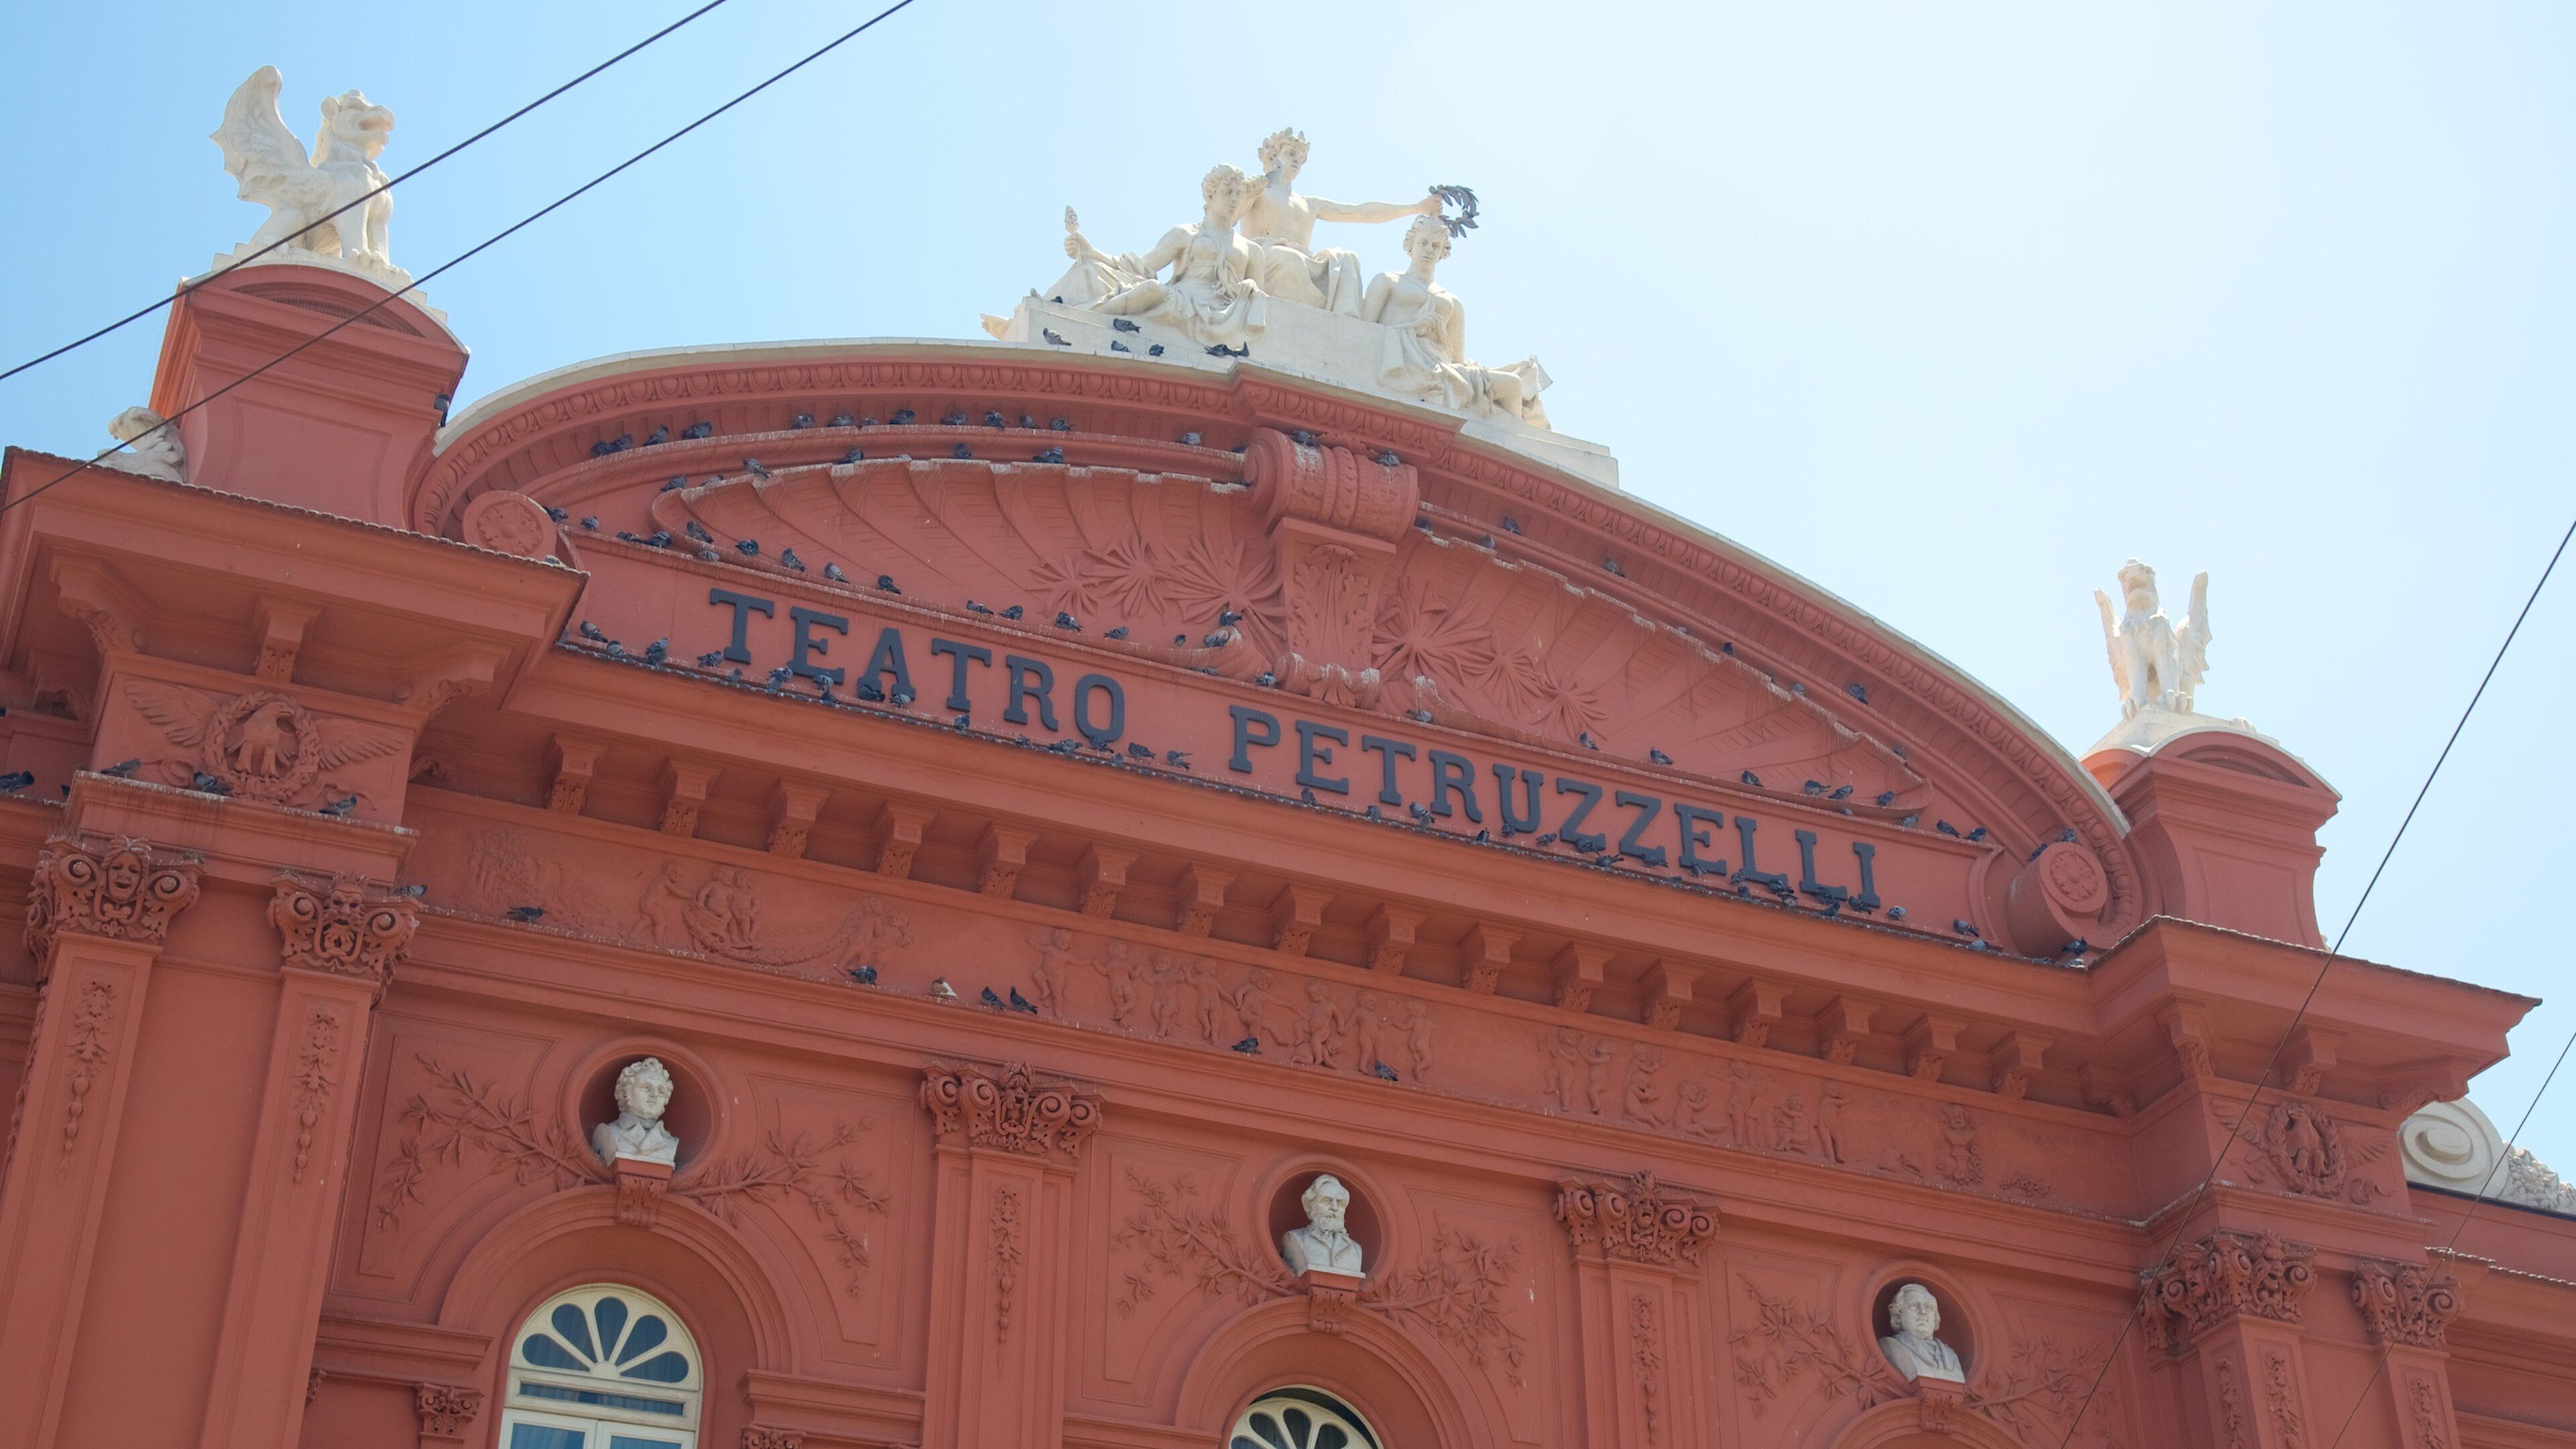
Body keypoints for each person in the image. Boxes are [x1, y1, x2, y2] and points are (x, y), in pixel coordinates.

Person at [1361, 215, 1550, 427]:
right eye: (1423, 243)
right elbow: (1362, 334)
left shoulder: (1452, 302)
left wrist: (1440, 335)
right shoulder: (1387, 282)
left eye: (1435, 246)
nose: (1429, 250)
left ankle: (1508, 447)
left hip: (1442, 370)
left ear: (1443, 252)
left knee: (1514, 384)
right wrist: (1413, 327)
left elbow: (1457, 358)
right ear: (1410, 245)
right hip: (1405, 366)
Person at [1232, 127, 1441, 313]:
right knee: (1292, 262)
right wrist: (1247, 193)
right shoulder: (1259, 190)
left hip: (1304, 261)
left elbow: (1362, 212)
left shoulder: (1309, 204)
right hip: (1266, 258)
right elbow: (1229, 219)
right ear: (1272, 157)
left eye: (1301, 156)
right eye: (1291, 154)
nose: (1297, 160)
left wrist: (1416, 207)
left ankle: (1344, 326)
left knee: (1347, 260)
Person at [1060, 165, 1268, 350]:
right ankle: (1085, 315)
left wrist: (1251, 286)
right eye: (1228, 192)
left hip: (1229, 314)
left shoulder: (1252, 250)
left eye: (1238, 194)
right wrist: (1092, 253)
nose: (1234, 200)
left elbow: (1263, 301)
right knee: (1152, 288)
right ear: (1210, 195)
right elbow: (1141, 266)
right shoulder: (1185, 234)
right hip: (1183, 303)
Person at [592, 1057, 680, 1167]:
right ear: (625, 1093)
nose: (655, 1095)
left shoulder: (670, 1142)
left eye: (661, 1091)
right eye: (646, 1088)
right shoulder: (608, 1132)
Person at [1280, 1173, 1364, 1275]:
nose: (1335, 1208)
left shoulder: (1356, 1249)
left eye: (1340, 1203)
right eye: (1327, 1201)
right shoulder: (1295, 1239)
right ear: (1309, 1206)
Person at [1879, 1283, 1965, 1383]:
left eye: (1928, 1307)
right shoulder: (1891, 1346)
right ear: (1898, 1317)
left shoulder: (1951, 1355)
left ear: (1935, 1317)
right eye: (1915, 1306)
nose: (1923, 1312)